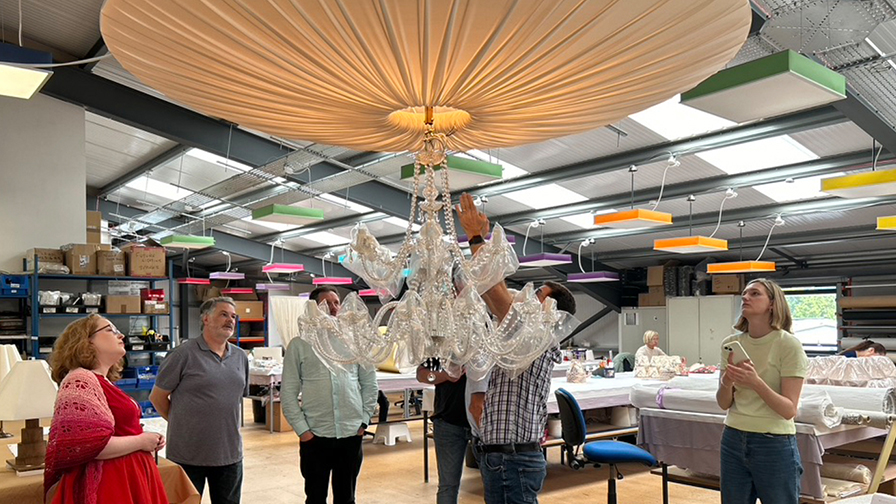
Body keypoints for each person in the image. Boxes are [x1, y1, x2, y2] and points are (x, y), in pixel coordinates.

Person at [457, 192, 577, 504]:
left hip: (514, 460)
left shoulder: (537, 339)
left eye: (537, 294)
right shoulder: (523, 337)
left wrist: (475, 237)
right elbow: (492, 298)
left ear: (552, 314)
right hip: (502, 457)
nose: (526, 298)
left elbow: (494, 293)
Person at [45, 315, 167, 504]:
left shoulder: (104, 382)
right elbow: (88, 445)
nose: (121, 336)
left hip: (128, 477)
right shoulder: (80, 380)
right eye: (111, 330)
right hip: (110, 485)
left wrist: (145, 439)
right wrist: (141, 441)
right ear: (87, 341)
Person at [281, 286, 378, 504]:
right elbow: (288, 393)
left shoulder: (355, 341)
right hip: (316, 435)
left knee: (346, 497)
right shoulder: (300, 345)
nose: (334, 308)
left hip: (350, 434)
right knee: (315, 497)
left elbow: (370, 384)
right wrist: (303, 431)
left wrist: (363, 421)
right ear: (313, 308)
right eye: (327, 303)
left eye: (336, 303)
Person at [715, 278, 808, 504]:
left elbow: (789, 410)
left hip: (773, 442)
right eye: (745, 294)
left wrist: (755, 382)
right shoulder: (731, 343)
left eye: (755, 294)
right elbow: (723, 403)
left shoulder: (788, 345)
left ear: (772, 305)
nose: (745, 297)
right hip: (733, 438)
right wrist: (727, 380)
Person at [150, 297, 249, 504]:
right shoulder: (182, 355)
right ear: (205, 319)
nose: (230, 320)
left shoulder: (240, 357)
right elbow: (157, 397)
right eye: (223, 314)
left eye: (233, 316)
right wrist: (183, 424)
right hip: (189, 455)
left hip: (230, 455)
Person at [416, 358, 471, 504]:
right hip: (448, 421)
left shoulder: (490, 343)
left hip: (483, 423)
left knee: (494, 484)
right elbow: (421, 375)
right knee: (448, 485)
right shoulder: (444, 345)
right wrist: (445, 376)